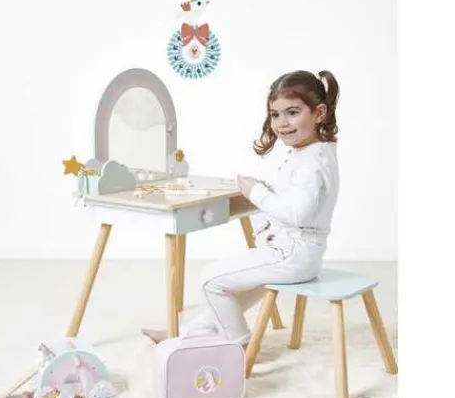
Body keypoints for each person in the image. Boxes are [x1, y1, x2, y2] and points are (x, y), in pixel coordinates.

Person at [143, 70, 341, 347]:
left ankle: (238, 342)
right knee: (232, 289)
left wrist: (257, 193)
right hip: (300, 254)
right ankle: (186, 334)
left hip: (292, 255)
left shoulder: (311, 163)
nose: (282, 123)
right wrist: (264, 191)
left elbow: (298, 214)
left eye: (293, 112)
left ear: (318, 113)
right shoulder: (315, 153)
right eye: (275, 114)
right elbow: (299, 201)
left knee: (210, 280)